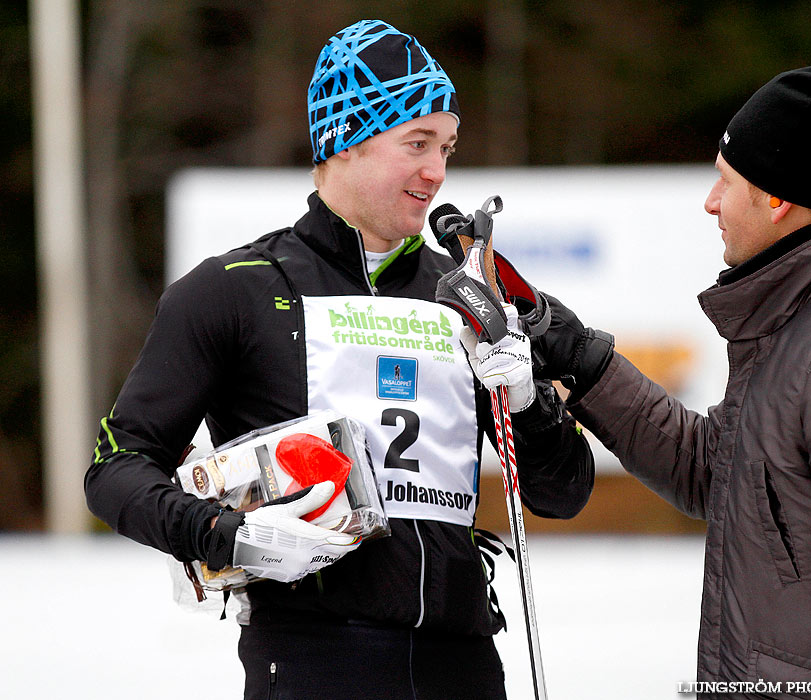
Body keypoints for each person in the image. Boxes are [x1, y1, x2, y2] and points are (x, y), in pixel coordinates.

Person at [85, 19, 593, 700]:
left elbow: (562, 494)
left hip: (462, 659)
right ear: (344, 141)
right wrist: (220, 533)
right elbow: (116, 468)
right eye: (415, 143)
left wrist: (529, 407)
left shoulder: (467, 295)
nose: (436, 171)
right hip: (313, 659)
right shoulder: (235, 288)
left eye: (445, 146)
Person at [526, 64, 811, 694]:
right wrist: (581, 359)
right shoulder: (793, 324)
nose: (710, 202)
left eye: (724, 180)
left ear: (777, 197)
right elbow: (718, 472)